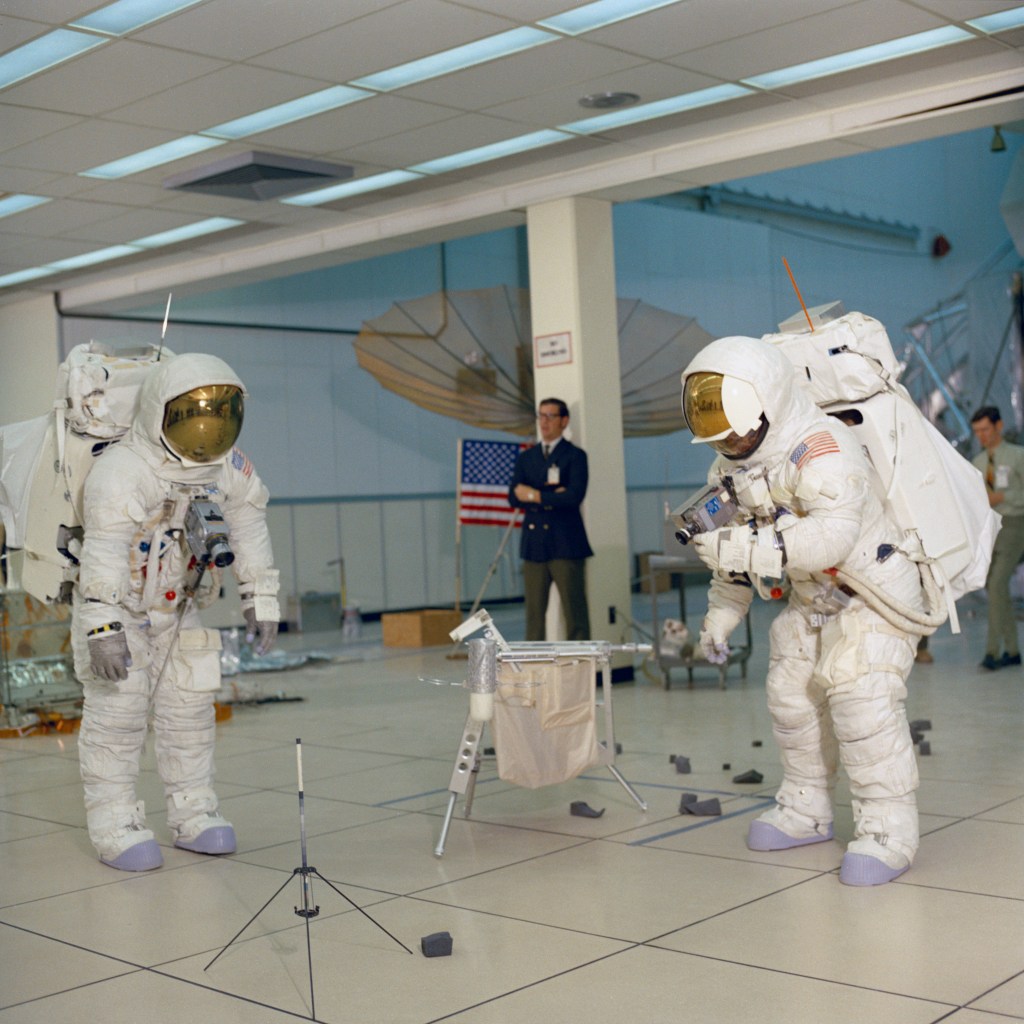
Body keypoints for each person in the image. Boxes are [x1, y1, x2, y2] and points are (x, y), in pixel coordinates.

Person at [680, 336, 930, 886]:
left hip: (875, 590)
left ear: (768, 403)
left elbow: (830, 539)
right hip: (815, 597)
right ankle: (806, 807)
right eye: (723, 436)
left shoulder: (823, 447)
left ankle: (889, 830)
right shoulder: (730, 469)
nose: (735, 441)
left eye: (741, 430)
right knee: (791, 691)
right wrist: (723, 614)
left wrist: (744, 549)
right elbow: (733, 553)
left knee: (860, 695)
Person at [71, 353, 280, 871]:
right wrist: (100, 626)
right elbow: (101, 551)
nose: (209, 430)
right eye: (195, 414)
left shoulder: (227, 468)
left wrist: (262, 597)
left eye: (221, 414)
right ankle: (114, 823)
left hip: (178, 606)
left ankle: (193, 812)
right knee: (118, 716)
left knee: (189, 714)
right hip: (117, 610)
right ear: (160, 412)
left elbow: (250, 526)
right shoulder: (124, 470)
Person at [508, 398, 593, 641]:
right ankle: (534, 670)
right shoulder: (527, 457)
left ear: (564, 421)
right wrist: (549, 495)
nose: (544, 422)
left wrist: (533, 494)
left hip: (565, 543)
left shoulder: (574, 456)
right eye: (541, 416)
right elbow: (513, 497)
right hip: (534, 544)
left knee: (574, 612)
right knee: (534, 615)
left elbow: (572, 496)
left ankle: (580, 670)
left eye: (550, 416)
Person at [970, 405, 1024, 670]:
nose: (982, 435)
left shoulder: (1017, 456)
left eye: (986, 429)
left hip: (1015, 524)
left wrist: (1003, 497)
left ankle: (992, 652)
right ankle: (1013, 650)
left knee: (998, 583)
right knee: (995, 588)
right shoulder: (978, 464)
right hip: (991, 528)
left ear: (999, 426)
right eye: (977, 431)